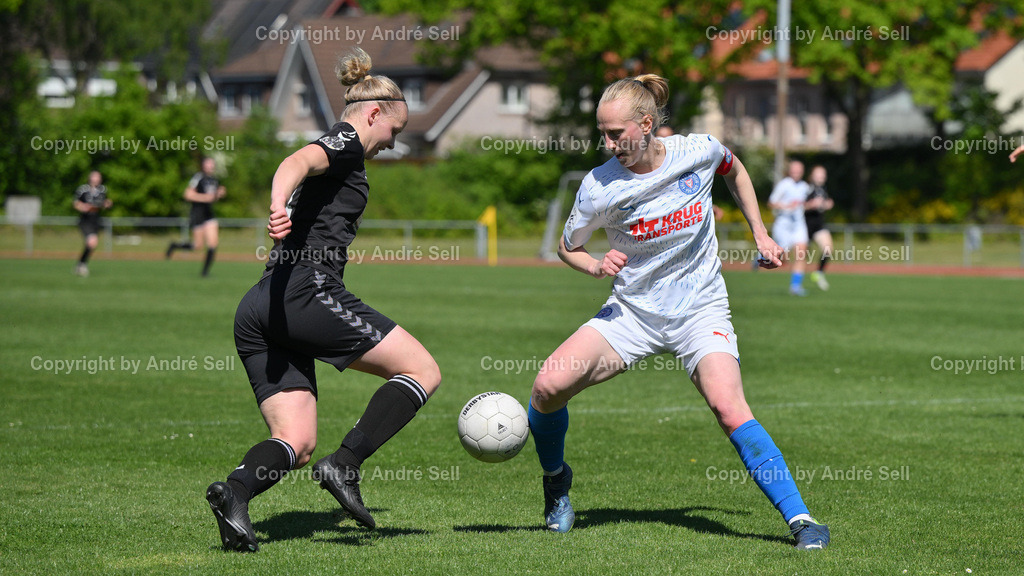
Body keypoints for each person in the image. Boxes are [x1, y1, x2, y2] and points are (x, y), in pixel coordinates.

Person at [527, 74, 830, 550]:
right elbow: (569, 246)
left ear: (646, 125)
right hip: (632, 312)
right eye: (601, 133)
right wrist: (592, 264)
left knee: (729, 408)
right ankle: (556, 481)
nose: (606, 143)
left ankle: (801, 519)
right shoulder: (598, 187)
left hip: (699, 308)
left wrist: (761, 233)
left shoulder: (699, 151)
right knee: (547, 387)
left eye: (615, 133)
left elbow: (736, 170)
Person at [204, 47, 441, 552]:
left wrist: (280, 205)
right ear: (374, 113)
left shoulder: (350, 151)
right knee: (423, 371)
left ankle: (236, 493)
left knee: (297, 441)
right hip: (304, 292)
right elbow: (298, 159)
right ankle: (347, 464)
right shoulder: (350, 141)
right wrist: (275, 204)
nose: (392, 144)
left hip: (261, 305)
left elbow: (302, 166)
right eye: (394, 132)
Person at [166, 157, 225, 276]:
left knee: (213, 243)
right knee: (197, 246)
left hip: (209, 214)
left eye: (212, 164)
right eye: (208, 164)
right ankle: (174, 245)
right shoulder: (198, 177)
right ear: (203, 165)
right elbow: (187, 194)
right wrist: (205, 198)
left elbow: (213, 197)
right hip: (197, 214)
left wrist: (219, 194)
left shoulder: (214, 180)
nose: (210, 166)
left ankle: (205, 272)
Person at [768, 160, 810, 296]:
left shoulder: (805, 186)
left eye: (799, 170)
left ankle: (795, 286)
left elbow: (804, 205)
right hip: (783, 224)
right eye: (794, 170)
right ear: (789, 171)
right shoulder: (784, 184)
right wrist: (786, 207)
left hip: (798, 224)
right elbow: (771, 203)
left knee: (801, 254)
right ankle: (760, 256)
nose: (796, 173)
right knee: (783, 257)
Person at [72, 170, 111, 276]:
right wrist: (83, 207)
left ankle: (81, 264)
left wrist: (107, 204)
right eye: (95, 177)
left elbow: (104, 202)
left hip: (95, 219)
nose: (97, 179)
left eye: (98, 177)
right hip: (85, 220)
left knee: (92, 244)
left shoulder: (102, 190)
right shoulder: (83, 190)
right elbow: (75, 203)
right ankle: (82, 265)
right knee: (92, 242)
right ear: (90, 178)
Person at [804, 165, 834, 291]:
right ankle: (761, 258)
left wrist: (827, 204)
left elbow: (824, 203)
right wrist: (810, 205)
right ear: (812, 175)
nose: (821, 177)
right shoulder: (806, 188)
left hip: (818, 225)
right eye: (818, 174)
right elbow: (798, 205)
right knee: (791, 254)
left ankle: (819, 273)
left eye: (823, 174)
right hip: (804, 226)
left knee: (828, 249)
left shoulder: (822, 189)